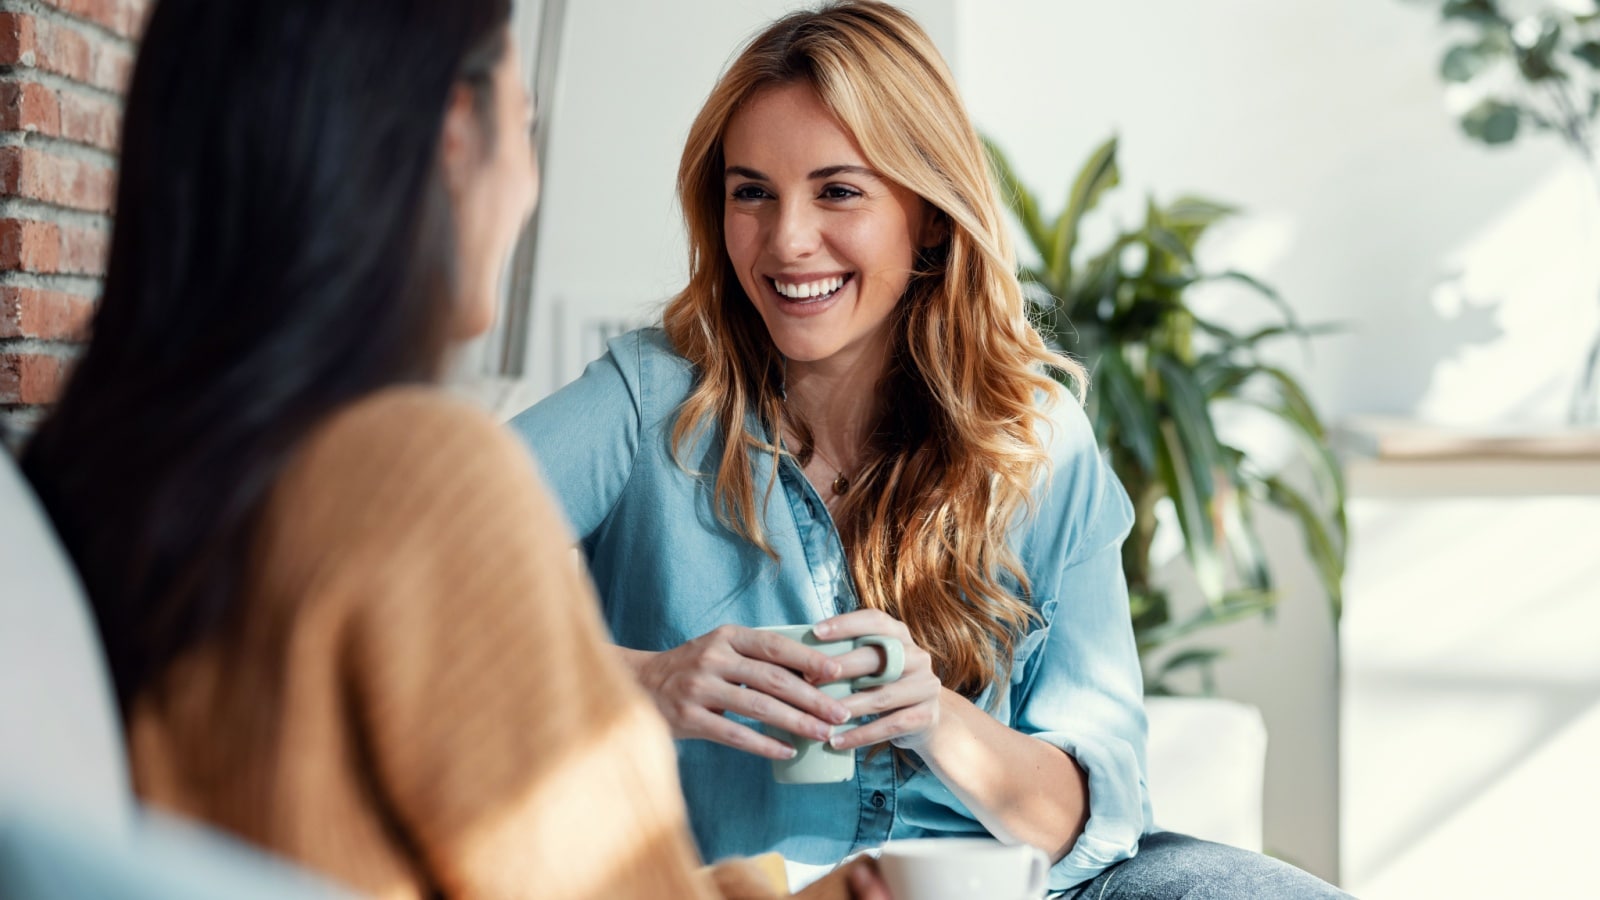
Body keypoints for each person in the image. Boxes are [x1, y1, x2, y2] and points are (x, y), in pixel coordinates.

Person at [19, 1, 887, 898]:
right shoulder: (418, 477)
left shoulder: (111, 472)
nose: (530, 179)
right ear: (454, 134)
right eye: (525, 123)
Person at [511, 2, 1351, 898]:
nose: (788, 238)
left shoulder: (1036, 440)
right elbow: (393, 577)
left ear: (932, 218)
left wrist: (935, 718)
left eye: (838, 191)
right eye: (751, 191)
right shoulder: (653, 399)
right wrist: (648, 678)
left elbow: (1091, 821)